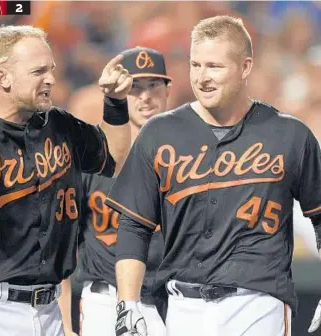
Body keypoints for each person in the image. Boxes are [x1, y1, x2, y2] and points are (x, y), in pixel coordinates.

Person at [104, 15, 321, 336]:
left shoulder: (290, 134)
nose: (202, 77)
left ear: (246, 67)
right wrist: (128, 303)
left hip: (258, 304)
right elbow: (135, 226)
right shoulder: (160, 133)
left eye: (214, 66)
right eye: (195, 65)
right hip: (181, 306)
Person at [0, 25, 133, 336]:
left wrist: (116, 103)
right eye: (38, 71)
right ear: (2, 77)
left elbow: (113, 160)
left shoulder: (61, 125)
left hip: (48, 312)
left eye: (51, 70)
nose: (50, 78)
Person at [62, 47, 172, 336]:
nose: (145, 96)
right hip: (104, 302)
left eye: (153, 85)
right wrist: (65, 324)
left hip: (168, 304)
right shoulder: (91, 164)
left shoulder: (187, 163)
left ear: (167, 91)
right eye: (134, 87)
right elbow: (59, 248)